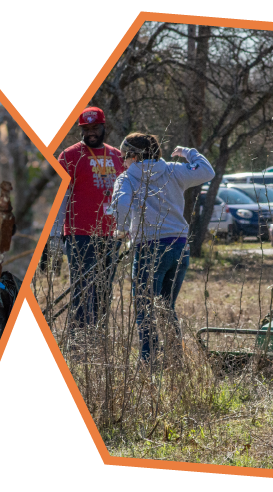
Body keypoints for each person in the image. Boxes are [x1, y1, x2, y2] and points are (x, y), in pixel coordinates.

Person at [111, 133, 215, 364]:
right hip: (179, 247)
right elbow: (208, 171)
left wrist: (120, 228)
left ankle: (149, 360)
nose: (123, 162)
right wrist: (188, 152)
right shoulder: (174, 170)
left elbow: (122, 203)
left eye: (124, 157)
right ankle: (176, 358)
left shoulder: (126, 178)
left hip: (149, 249)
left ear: (134, 156)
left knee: (144, 307)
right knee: (167, 306)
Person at [56, 106, 125, 330]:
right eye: (86, 129)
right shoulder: (70, 156)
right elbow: (60, 198)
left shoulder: (117, 156)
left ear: (104, 127)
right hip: (80, 234)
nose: (91, 133)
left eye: (95, 128)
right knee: (84, 287)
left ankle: (98, 336)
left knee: (105, 288)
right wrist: (55, 236)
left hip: (111, 235)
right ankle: (78, 338)